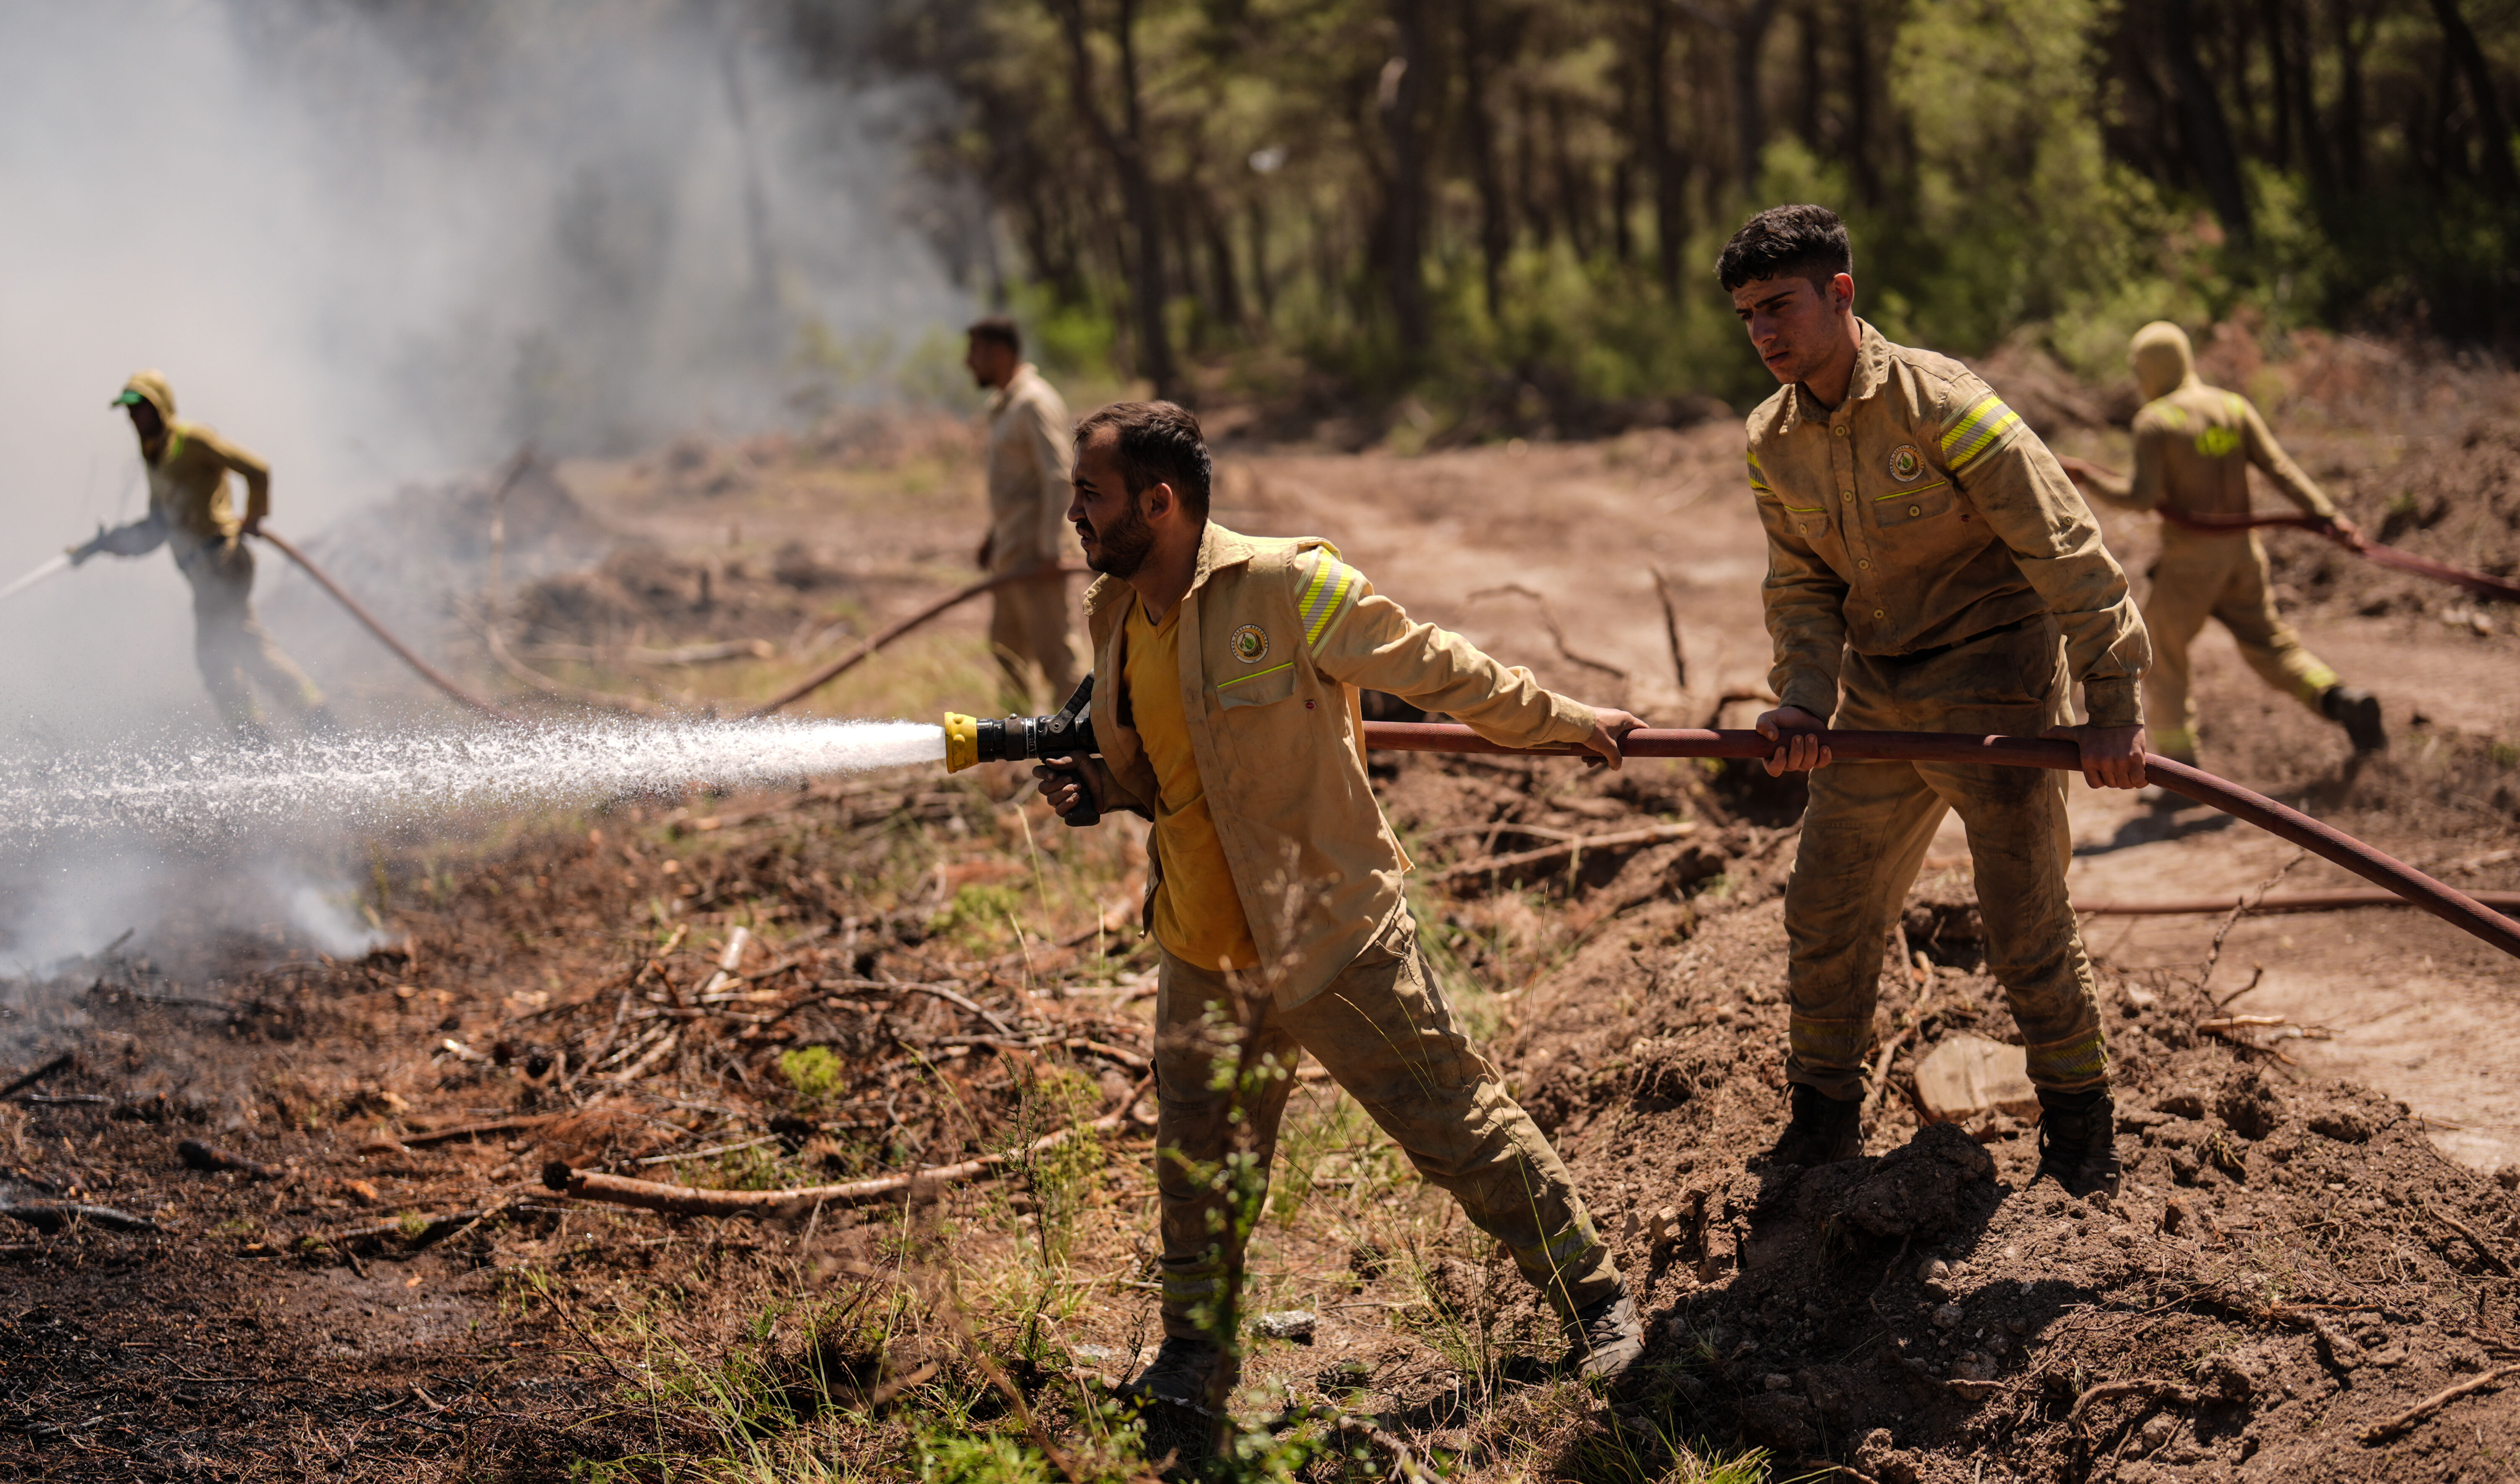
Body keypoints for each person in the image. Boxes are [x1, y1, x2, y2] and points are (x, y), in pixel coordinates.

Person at [1033, 400, 1648, 1404]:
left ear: (1160, 500)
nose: (1073, 514)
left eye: (1090, 495)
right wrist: (1098, 787)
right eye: (1073, 494)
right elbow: (1163, 775)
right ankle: (1197, 1353)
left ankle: (1594, 1300)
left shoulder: (1286, 584)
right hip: (1203, 947)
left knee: (1459, 1126)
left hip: (1334, 934)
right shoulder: (1115, 617)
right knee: (1196, 1166)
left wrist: (1568, 723)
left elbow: (1440, 666)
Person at [1723, 205, 2150, 1198]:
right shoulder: (1770, 438)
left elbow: (2065, 545)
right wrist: (1800, 701)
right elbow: (1799, 588)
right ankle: (1823, 1117)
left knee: (2023, 919)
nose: (1763, 334)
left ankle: (2081, 1128)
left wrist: (2112, 700)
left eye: (1779, 306)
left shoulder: (1943, 400)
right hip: (1875, 696)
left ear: (1841, 293)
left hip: (1991, 681)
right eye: (1747, 316)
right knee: (1826, 904)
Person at [2057, 322, 2384, 776]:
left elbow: (2141, 499)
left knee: (2162, 654)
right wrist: (2331, 517)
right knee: (2273, 646)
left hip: (2191, 562)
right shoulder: (2233, 405)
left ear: (2149, 369)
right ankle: (2338, 697)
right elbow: (2281, 468)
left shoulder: (2156, 421)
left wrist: (2089, 478)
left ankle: (2179, 767)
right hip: (2244, 557)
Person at [76, 370, 329, 738]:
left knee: (216, 658)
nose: (133, 418)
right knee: (248, 648)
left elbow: (257, 469)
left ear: (159, 407)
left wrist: (255, 515)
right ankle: (317, 720)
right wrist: (107, 544)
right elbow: (157, 529)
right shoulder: (154, 456)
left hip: (221, 561)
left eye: (140, 408)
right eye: (129, 411)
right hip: (203, 573)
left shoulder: (191, 440)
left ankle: (255, 742)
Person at [965, 316, 1079, 710]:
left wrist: (1050, 550)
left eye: (975, 352)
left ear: (1000, 353)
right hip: (1011, 555)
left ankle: (1083, 749)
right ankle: (1016, 750)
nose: (969, 363)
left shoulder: (1034, 402)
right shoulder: (1003, 406)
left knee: (1057, 660)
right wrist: (993, 537)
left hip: (1035, 558)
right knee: (1008, 652)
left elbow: (1058, 477)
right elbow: (1018, 486)